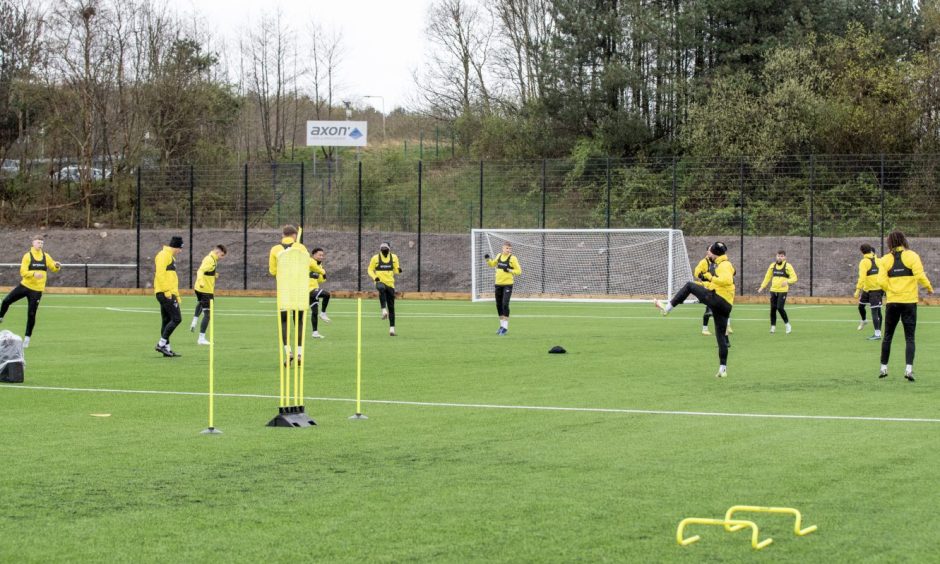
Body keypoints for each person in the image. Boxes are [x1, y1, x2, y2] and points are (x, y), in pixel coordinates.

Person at [655, 241, 735, 378]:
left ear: (715, 253)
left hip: (719, 300)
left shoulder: (724, 265)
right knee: (721, 336)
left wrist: (709, 276)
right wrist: (704, 281)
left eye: (710, 251)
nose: (708, 253)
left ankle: (667, 308)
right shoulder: (723, 264)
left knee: (689, 286)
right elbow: (717, 283)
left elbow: (726, 280)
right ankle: (723, 368)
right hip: (725, 304)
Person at [877, 231, 933, 382]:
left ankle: (883, 368)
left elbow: (881, 282)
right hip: (909, 302)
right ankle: (908, 369)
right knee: (910, 337)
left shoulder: (884, 260)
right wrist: (929, 287)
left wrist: (891, 290)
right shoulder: (912, 256)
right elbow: (920, 275)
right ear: (903, 241)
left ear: (889, 243)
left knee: (888, 336)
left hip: (893, 302)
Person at [0, 235, 61, 348]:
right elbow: (23, 272)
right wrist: (33, 274)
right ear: (33, 243)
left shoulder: (46, 256)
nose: (40, 245)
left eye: (42, 243)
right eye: (38, 242)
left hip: (37, 290)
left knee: (31, 314)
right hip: (25, 286)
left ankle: (27, 338)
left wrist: (57, 266)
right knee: (6, 300)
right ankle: (1, 317)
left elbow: (53, 267)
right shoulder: (27, 256)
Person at [269, 225, 309, 361]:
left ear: (283, 235)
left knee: (284, 321)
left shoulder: (275, 249)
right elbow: (308, 264)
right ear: (294, 235)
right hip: (299, 289)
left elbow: (272, 271)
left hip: (284, 289)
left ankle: (288, 351)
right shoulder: (301, 248)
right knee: (299, 321)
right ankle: (299, 353)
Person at [189, 244, 227, 345]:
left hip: (201, 289)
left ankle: (194, 321)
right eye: (222, 255)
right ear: (217, 252)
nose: (222, 258)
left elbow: (207, 271)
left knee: (201, 304)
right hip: (205, 290)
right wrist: (201, 282)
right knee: (208, 314)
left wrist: (214, 275)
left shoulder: (212, 258)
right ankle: (201, 338)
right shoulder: (210, 260)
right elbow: (200, 271)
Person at [154, 236, 184, 357]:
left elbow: (170, 277)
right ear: (175, 246)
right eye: (180, 248)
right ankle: (161, 344)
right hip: (165, 293)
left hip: (168, 292)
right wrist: (167, 291)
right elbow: (160, 274)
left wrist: (176, 295)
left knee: (167, 320)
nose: (180, 251)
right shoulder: (163, 255)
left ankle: (167, 348)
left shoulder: (169, 256)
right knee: (177, 319)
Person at [485, 242, 522, 335]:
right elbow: (492, 264)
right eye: (507, 248)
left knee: (505, 304)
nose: (509, 250)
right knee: (498, 305)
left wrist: (510, 270)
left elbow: (519, 271)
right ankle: (501, 326)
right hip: (498, 283)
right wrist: (488, 260)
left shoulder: (513, 258)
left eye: (510, 249)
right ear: (503, 248)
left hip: (508, 284)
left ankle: (505, 327)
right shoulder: (498, 256)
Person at [758, 249, 797, 334]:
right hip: (773, 290)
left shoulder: (788, 266)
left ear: (785, 257)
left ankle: (787, 325)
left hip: (783, 290)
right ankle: (773, 327)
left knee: (780, 307)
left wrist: (787, 281)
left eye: (782, 256)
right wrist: (762, 287)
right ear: (776, 256)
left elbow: (794, 278)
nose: (780, 257)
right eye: (778, 256)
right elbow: (767, 277)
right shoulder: (772, 265)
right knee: (773, 309)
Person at [367, 241, 402, 336]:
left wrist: (399, 270)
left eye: (386, 249)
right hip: (380, 281)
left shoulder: (394, 257)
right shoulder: (375, 258)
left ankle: (392, 329)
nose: (384, 250)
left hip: (390, 284)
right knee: (381, 288)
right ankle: (383, 309)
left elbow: (396, 269)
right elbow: (370, 269)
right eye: (382, 249)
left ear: (389, 249)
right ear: (380, 250)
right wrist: (375, 277)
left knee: (391, 307)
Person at [854, 243, 883, 340]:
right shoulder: (878, 260)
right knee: (861, 306)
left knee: (875, 311)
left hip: (876, 290)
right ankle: (864, 320)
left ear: (861, 251)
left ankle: (878, 334)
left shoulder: (864, 262)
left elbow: (862, 277)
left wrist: (858, 290)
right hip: (867, 289)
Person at [308, 247, 331, 339]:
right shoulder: (310, 261)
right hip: (308, 289)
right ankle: (323, 313)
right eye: (319, 255)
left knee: (314, 312)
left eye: (322, 255)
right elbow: (315, 268)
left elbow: (321, 280)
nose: (321, 257)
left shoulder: (319, 265)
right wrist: (322, 271)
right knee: (327, 294)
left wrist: (321, 275)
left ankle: (315, 332)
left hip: (314, 288)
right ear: (314, 255)